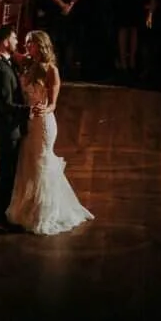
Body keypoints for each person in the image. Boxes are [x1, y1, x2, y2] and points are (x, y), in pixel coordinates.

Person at [7, 31, 95, 236]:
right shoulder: (28, 63)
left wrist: (45, 109)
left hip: (43, 123)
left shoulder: (51, 70)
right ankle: (28, 208)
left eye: (31, 43)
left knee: (41, 162)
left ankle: (45, 212)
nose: (27, 46)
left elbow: (54, 103)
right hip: (28, 121)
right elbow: (11, 52)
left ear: (41, 45)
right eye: (26, 42)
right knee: (28, 162)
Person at [0, 25, 38, 232]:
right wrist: (28, 111)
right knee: (5, 174)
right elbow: (4, 105)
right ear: (5, 41)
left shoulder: (4, 61)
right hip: (8, 128)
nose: (17, 41)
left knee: (8, 173)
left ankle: (2, 214)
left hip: (9, 127)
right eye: (15, 37)